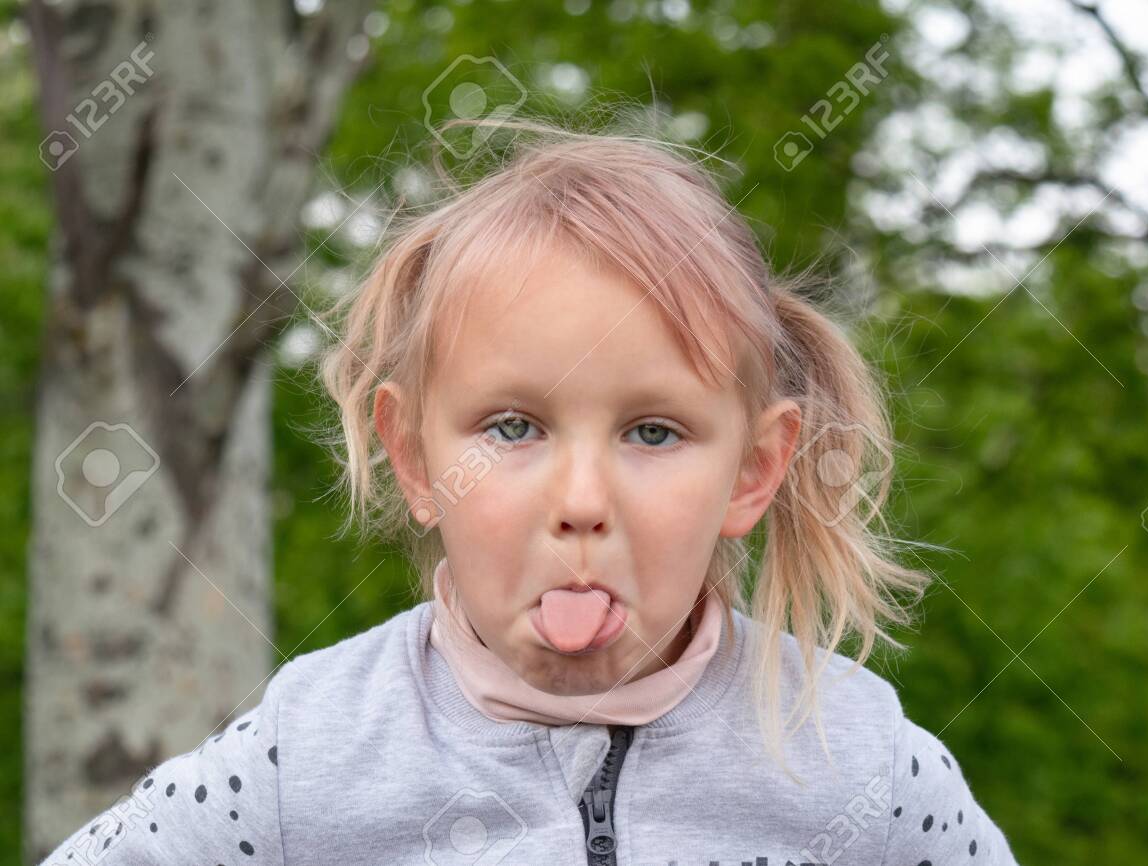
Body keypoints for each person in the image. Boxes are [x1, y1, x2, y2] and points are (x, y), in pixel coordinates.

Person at [42, 118, 1018, 865]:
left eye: (653, 432)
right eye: (512, 428)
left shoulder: (857, 754)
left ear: (753, 471)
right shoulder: (312, 750)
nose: (581, 500)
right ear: (415, 459)